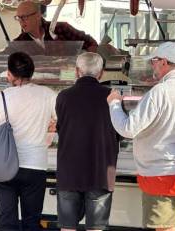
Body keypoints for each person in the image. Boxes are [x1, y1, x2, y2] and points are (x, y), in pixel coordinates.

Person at [107, 42, 175, 231]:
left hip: (161, 173)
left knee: (163, 228)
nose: (151, 65)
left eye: (153, 61)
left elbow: (128, 129)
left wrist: (114, 104)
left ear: (163, 62)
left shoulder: (159, 92)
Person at [0, 52, 57, 231]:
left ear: (10, 73)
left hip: (2, 167)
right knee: (32, 222)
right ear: (31, 72)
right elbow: (63, 121)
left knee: (7, 222)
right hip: (35, 166)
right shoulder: (48, 95)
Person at [55, 52, 119, 231]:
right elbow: (121, 129)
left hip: (69, 171)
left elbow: (60, 129)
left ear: (77, 71)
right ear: (101, 73)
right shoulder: (111, 96)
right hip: (102, 171)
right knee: (96, 228)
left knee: (67, 227)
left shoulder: (63, 96)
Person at [11, 1, 97, 53]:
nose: (21, 21)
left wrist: (88, 64)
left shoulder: (61, 28)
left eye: (24, 17)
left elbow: (90, 42)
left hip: (68, 77)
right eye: (18, 18)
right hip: (38, 82)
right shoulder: (19, 43)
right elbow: (1, 60)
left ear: (38, 16)